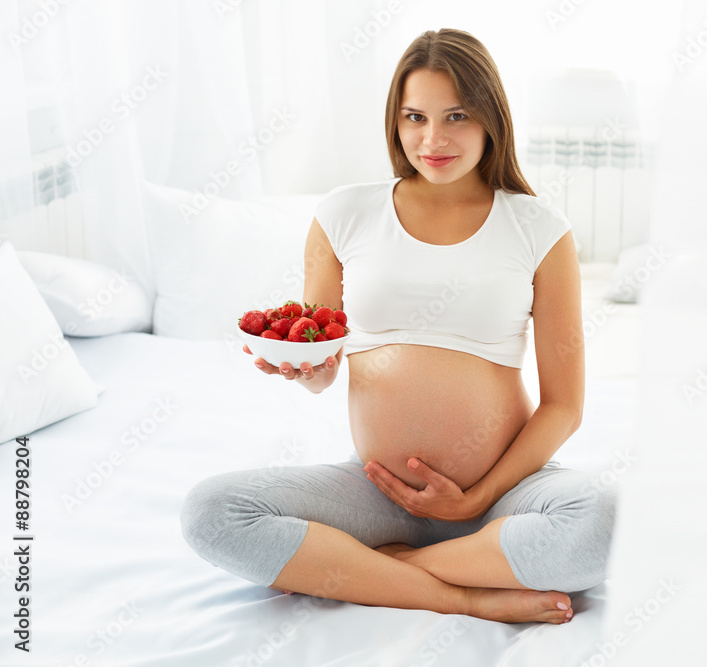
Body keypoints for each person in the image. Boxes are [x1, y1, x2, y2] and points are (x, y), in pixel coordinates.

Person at [180, 28, 615, 625]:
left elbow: (564, 406)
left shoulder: (539, 228)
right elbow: (322, 369)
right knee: (211, 512)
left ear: (491, 117)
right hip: (376, 492)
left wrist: (476, 500)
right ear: (395, 121)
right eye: (415, 117)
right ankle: (460, 591)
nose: (432, 139)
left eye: (456, 116)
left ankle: (386, 566)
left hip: (501, 496)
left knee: (607, 519)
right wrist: (305, 368)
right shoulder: (344, 214)